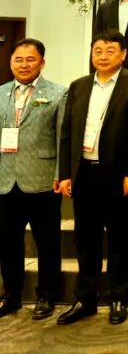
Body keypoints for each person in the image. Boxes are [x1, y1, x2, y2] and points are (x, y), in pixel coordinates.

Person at [57, 30, 128, 325]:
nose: (103, 56)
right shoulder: (79, 86)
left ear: (124, 54)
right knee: (86, 239)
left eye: (110, 51)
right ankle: (86, 298)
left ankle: (118, 297)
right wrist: (66, 173)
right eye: (98, 51)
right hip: (84, 173)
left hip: (118, 176)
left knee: (120, 238)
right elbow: (67, 132)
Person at [0, 39, 66, 320]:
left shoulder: (58, 94)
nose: (24, 64)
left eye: (30, 59)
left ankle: (46, 296)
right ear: (10, 62)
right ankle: (11, 296)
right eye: (19, 59)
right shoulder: (1, 93)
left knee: (47, 243)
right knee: (7, 243)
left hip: (43, 181)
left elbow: (62, 139)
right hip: (5, 181)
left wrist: (60, 175)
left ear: (42, 62)